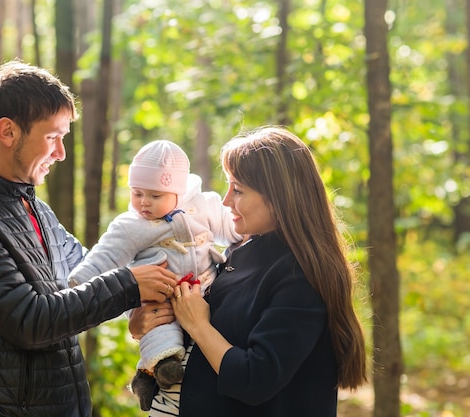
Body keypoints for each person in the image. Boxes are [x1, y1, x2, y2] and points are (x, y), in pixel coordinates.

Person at [0, 60, 178, 417]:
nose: (60, 153)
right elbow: (30, 322)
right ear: (8, 131)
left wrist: (136, 313)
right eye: (52, 137)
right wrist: (129, 288)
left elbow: (89, 274)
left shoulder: (37, 209)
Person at [129, 126, 368, 416]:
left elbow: (254, 379)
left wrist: (198, 325)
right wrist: (145, 323)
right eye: (228, 186)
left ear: (280, 196)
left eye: (238, 189)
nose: (226, 200)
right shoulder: (239, 251)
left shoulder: (300, 275)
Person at [68, 140, 241, 410]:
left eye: (155, 195)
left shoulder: (204, 206)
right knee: (159, 328)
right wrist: (79, 281)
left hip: (205, 290)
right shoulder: (131, 225)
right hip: (161, 297)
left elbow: (231, 228)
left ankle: (150, 376)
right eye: (137, 193)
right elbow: (106, 254)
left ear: (178, 193)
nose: (144, 203)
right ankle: (158, 370)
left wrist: (242, 233)